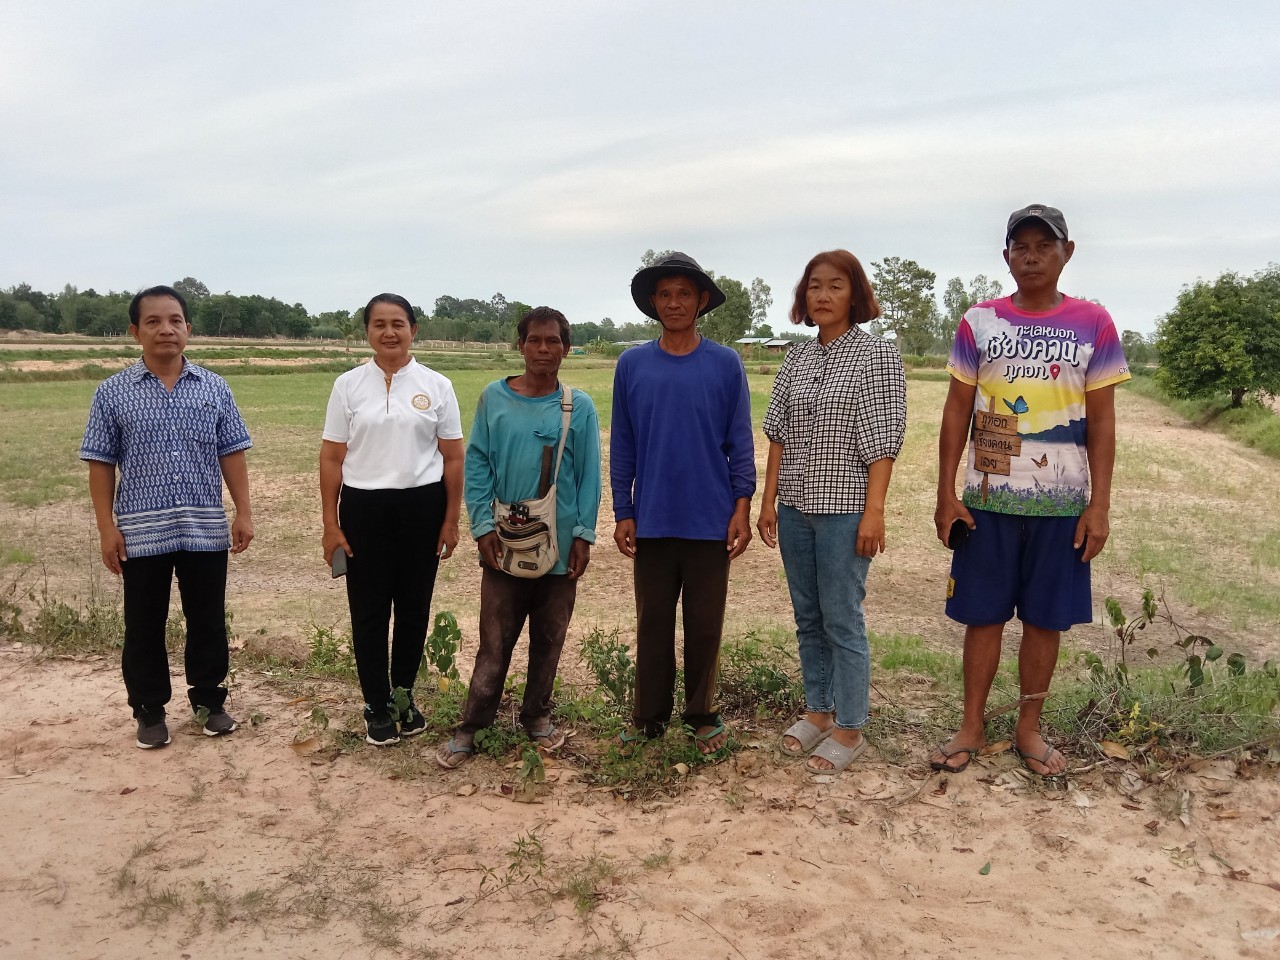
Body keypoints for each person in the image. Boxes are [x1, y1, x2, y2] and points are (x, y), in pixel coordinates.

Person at [931, 204, 1130, 776]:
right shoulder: (979, 321)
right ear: (1007, 256)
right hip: (986, 502)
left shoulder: (1094, 323)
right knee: (983, 616)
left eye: (1046, 245)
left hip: (1063, 505)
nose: (1033, 255)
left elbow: (1103, 422)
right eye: (1022, 246)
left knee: (1045, 620)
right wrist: (947, 494)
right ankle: (971, 724)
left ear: (1068, 252)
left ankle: (1028, 729)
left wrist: (1099, 504)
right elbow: (955, 411)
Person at [80, 285, 254, 749]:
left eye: (175, 320)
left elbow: (233, 453)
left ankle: (209, 703)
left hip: (205, 529)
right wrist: (106, 527)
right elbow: (101, 464)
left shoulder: (214, 388)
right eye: (154, 322)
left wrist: (244, 512)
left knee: (208, 620)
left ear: (189, 329)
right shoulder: (112, 393)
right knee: (143, 623)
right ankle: (150, 710)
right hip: (140, 532)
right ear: (135, 331)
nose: (166, 330)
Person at [757, 251, 906, 774]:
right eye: (814, 286)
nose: (822, 295)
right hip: (796, 505)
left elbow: (884, 442)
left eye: (835, 286)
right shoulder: (796, 358)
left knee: (842, 616)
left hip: (846, 508)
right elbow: (778, 432)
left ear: (855, 295)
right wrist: (768, 500)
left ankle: (850, 724)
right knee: (808, 616)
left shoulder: (876, 357)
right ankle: (819, 711)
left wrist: (875, 511)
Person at [436, 307, 602, 768]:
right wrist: (482, 528)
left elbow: (589, 476)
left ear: (565, 349)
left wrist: (584, 536)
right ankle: (471, 726)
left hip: (561, 543)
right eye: (535, 340)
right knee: (495, 638)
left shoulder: (578, 406)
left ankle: (537, 717)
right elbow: (478, 464)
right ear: (520, 345)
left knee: (550, 636)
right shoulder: (494, 397)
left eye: (553, 342)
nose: (543, 350)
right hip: (504, 541)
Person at [611, 252, 756, 754]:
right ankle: (648, 717)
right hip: (651, 519)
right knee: (652, 623)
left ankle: (702, 714)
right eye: (666, 294)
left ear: (701, 302)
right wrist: (623, 511)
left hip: (710, 520)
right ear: (654, 302)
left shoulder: (725, 364)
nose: (675, 303)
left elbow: (740, 441)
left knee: (704, 625)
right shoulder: (631, 365)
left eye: (685, 294)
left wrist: (741, 506)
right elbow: (624, 444)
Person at [320, 293, 464, 747]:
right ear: (367, 331)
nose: (389, 332)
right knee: (368, 611)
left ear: (413, 330)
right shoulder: (348, 386)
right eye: (379, 324)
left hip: (422, 508)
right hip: (363, 510)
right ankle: (375, 705)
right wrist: (331, 523)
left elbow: (454, 458)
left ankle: (403, 697)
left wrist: (450, 520)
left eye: (398, 323)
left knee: (414, 608)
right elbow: (331, 457)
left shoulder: (437, 385)